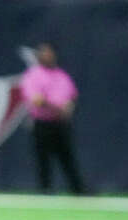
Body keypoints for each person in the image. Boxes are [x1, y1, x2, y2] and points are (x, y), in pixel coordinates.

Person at [20, 42, 87, 195]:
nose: (48, 56)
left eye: (50, 53)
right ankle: (45, 191)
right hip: (42, 124)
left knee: (67, 158)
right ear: (38, 56)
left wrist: (68, 107)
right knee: (43, 160)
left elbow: (71, 96)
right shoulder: (33, 75)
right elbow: (36, 100)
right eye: (44, 53)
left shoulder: (61, 75)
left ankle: (79, 191)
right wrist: (57, 107)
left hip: (61, 124)